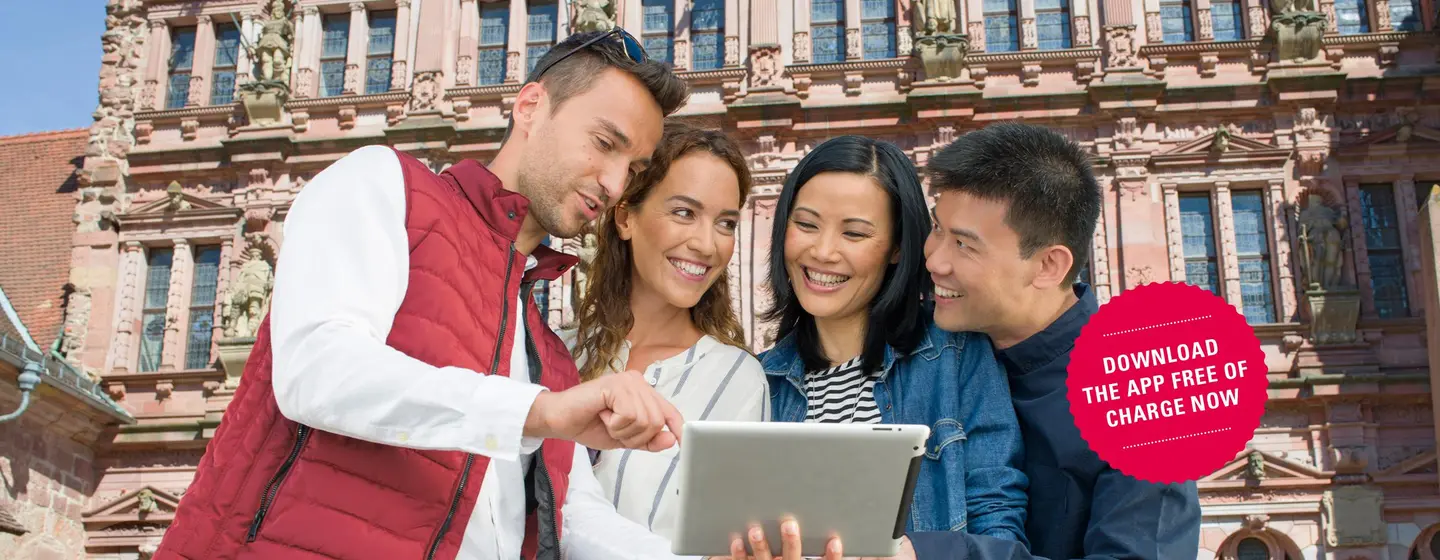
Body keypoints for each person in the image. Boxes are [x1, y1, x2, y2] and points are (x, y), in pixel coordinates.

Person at [154, 29, 705, 560]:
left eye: (632, 169)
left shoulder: (551, 359)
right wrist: (537, 411)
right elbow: (316, 369)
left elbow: (575, 518)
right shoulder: (386, 185)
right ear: (532, 107)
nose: (613, 183)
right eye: (604, 143)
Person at [908, 122, 1203, 559]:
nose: (934, 259)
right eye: (936, 229)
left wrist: (931, 555)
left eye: (963, 245)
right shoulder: (926, 352)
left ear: (1048, 265)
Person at [727, 135, 1029, 558]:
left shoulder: (956, 357)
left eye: (854, 233)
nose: (823, 251)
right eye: (807, 224)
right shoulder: (759, 380)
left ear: (897, 248)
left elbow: (999, 532)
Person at [561, 121, 769, 541]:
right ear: (625, 218)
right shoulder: (559, 355)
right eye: (684, 213)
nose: (707, 244)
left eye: (725, 223)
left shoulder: (736, 379)